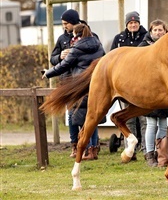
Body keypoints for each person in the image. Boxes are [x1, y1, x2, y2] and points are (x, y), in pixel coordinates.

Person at [43, 23, 105, 160]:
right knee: (92, 117)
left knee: (81, 118)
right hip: (97, 85)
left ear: (77, 35)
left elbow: (64, 65)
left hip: (80, 85)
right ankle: (93, 149)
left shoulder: (77, 48)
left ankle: (86, 149)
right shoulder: (99, 46)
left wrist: (48, 73)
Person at [110, 11, 148, 159]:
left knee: (144, 118)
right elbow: (111, 58)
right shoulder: (119, 39)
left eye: (135, 22)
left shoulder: (146, 37)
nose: (133, 25)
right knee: (128, 118)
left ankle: (146, 150)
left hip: (143, 83)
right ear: (127, 24)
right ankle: (129, 151)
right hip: (125, 85)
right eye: (131, 23)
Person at [137, 19, 168, 167]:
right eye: (155, 30)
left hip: (164, 90)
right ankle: (149, 154)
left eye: (160, 30)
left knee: (163, 124)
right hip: (150, 89)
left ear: (165, 31)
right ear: (151, 32)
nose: (158, 32)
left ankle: (162, 153)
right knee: (151, 124)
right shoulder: (143, 47)